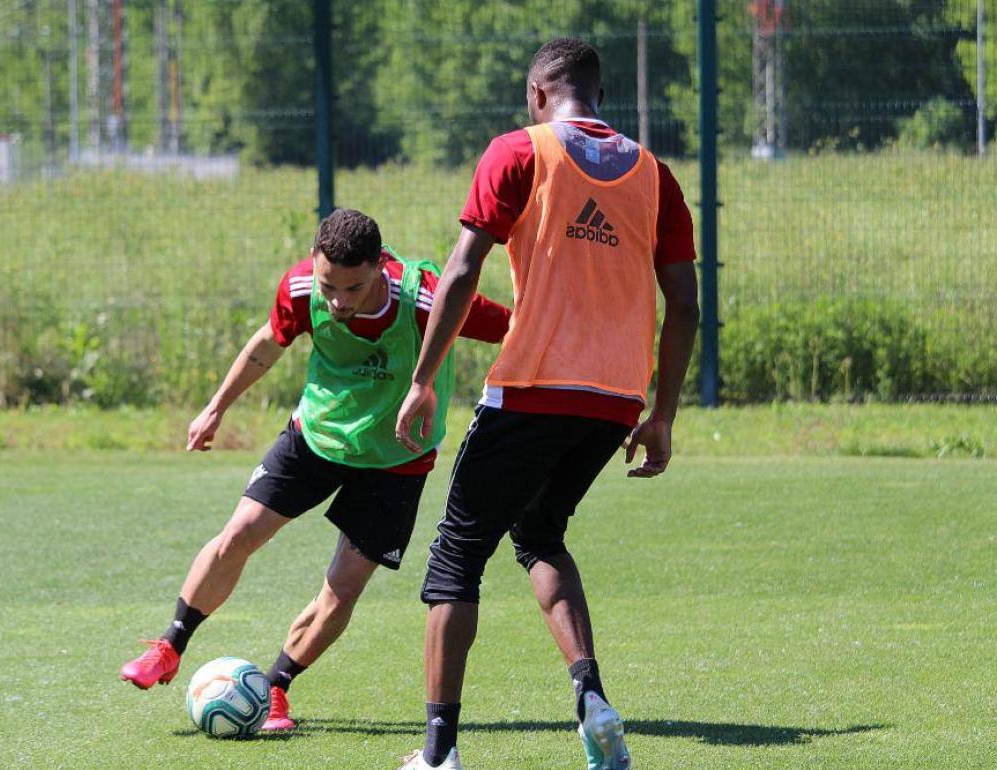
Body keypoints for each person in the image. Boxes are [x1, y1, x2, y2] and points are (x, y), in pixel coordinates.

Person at [393, 39, 700, 770]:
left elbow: (463, 269)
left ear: (537, 93)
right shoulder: (655, 176)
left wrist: (423, 378)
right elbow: (686, 304)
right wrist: (662, 414)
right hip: (616, 401)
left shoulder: (518, 152)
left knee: (455, 558)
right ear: (598, 95)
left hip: (532, 388)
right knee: (538, 534)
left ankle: (438, 753)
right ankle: (593, 700)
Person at [119, 208, 510, 732]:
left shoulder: (424, 297)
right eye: (330, 285)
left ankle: (275, 689)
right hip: (316, 437)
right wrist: (215, 407)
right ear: (314, 262)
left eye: (352, 288)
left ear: (380, 265)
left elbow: (513, 327)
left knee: (342, 587)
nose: (338, 301)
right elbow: (266, 345)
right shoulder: (302, 287)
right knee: (237, 534)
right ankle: (169, 645)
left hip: (397, 460)